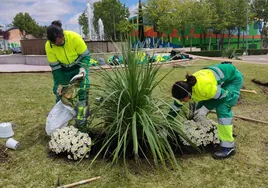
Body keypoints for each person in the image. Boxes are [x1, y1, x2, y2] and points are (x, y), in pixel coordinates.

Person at [168, 62, 243, 159]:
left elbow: (223, 96)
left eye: (183, 100)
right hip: (216, 82)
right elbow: (176, 106)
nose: (182, 102)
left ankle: (228, 147)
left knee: (222, 108)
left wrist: (205, 108)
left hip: (232, 79)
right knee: (200, 108)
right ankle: (206, 132)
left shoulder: (204, 87)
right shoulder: (185, 86)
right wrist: (167, 122)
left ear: (188, 95)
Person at [45, 20, 90, 129]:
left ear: (62, 36)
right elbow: (56, 69)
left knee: (82, 91)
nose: (56, 45)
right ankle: (60, 124)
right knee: (60, 93)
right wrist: (60, 84)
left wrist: (83, 69)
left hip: (78, 68)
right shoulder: (49, 46)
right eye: (53, 43)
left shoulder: (75, 38)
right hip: (63, 70)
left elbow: (86, 56)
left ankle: (81, 122)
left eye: (58, 42)